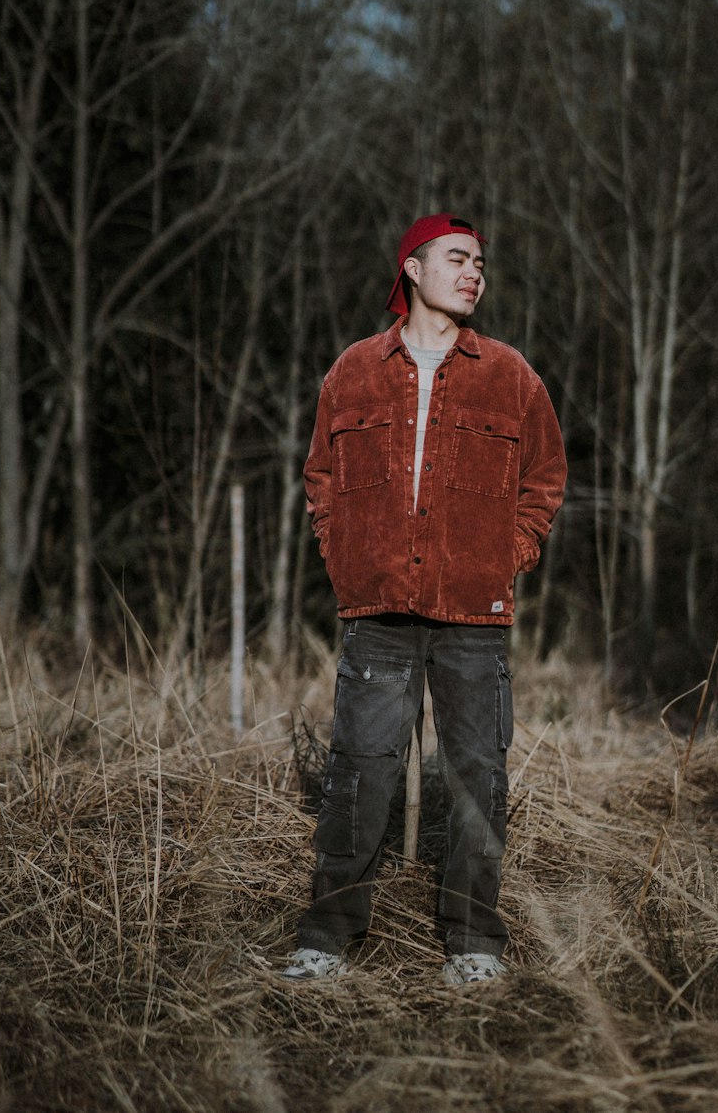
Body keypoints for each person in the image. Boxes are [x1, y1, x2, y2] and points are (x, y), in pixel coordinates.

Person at [283, 213, 567, 984]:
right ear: (412, 269)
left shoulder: (512, 376)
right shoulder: (352, 371)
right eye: (456, 258)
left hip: (473, 615)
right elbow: (321, 478)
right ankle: (329, 934)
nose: (474, 272)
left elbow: (543, 480)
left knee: (478, 775)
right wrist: (343, 553)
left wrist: (512, 552)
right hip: (376, 611)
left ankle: (474, 941)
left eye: (480, 262)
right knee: (360, 771)